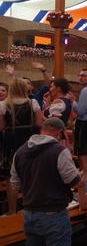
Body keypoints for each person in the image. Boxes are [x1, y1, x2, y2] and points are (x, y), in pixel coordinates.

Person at [10, 118, 80, 245]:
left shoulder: (20, 152)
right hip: (54, 215)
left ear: (42, 130)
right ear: (60, 133)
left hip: (30, 214)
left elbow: (15, 184)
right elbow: (73, 181)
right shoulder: (59, 151)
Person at [0, 77, 43, 214]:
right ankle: (29, 207)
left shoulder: (3, 104)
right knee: (29, 174)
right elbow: (39, 124)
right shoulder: (33, 102)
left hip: (11, 142)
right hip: (29, 141)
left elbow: (1, 127)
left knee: (11, 178)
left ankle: (12, 211)